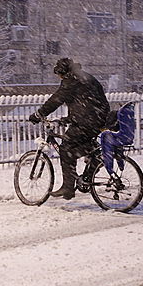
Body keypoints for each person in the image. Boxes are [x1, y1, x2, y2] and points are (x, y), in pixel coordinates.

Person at [29, 58, 110, 199]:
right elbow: (86, 102)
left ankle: (68, 188)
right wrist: (67, 119)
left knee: (66, 149)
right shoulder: (85, 77)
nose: (59, 78)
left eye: (59, 75)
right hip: (99, 118)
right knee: (85, 146)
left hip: (87, 121)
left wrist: (39, 114)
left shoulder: (71, 80)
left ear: (62, 72)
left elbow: (56, 99)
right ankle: (91, 168)